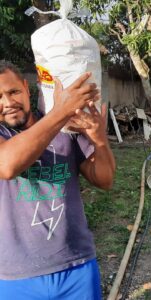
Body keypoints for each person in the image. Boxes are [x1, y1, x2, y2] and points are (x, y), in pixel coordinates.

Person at [0, 60, 116, 299]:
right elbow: (7, 165)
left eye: (13, 91)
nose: (8, 103)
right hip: (15, 274)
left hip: (76, 264)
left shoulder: (66, 129)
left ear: (25, 86)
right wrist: (61, 111)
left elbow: (104, 180)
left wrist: (99, 139)